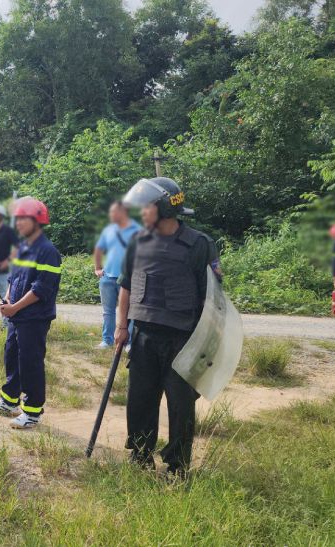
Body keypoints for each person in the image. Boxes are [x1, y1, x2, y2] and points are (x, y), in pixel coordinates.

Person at [115, 177, 221, 477]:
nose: (140, 213)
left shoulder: (199, 245)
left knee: (181, 405)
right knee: (141, 399)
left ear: (162, 208)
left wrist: (207, 344)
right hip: (144, 335)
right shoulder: (137, 241)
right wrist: (122, 327)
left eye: (145, 207)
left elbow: (213, 299)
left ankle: (177, 465)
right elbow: (125, 287)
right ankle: (140, 454)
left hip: (184, 340)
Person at [0, 198, 61, 430]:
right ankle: (9, 401)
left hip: (34, 318)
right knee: (12, 356)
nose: (17, 224)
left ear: (37, 221)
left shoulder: (48, 252)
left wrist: (15, 307)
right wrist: (8, 299)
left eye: (22, 219)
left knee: (31, 363)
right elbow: (12, 279)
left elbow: (42, 289)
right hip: (17, 317)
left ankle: (32, 412)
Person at [93, 201, 142, 349]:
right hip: (108, 277)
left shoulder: (137, 230)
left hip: (128, 279)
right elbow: (98, 249)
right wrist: (97, 268)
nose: (111, 215)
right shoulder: (108, 230)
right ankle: (107, 340)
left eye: (113, 212)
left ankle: (129, 343)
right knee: (108, 312)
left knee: (130, 312)